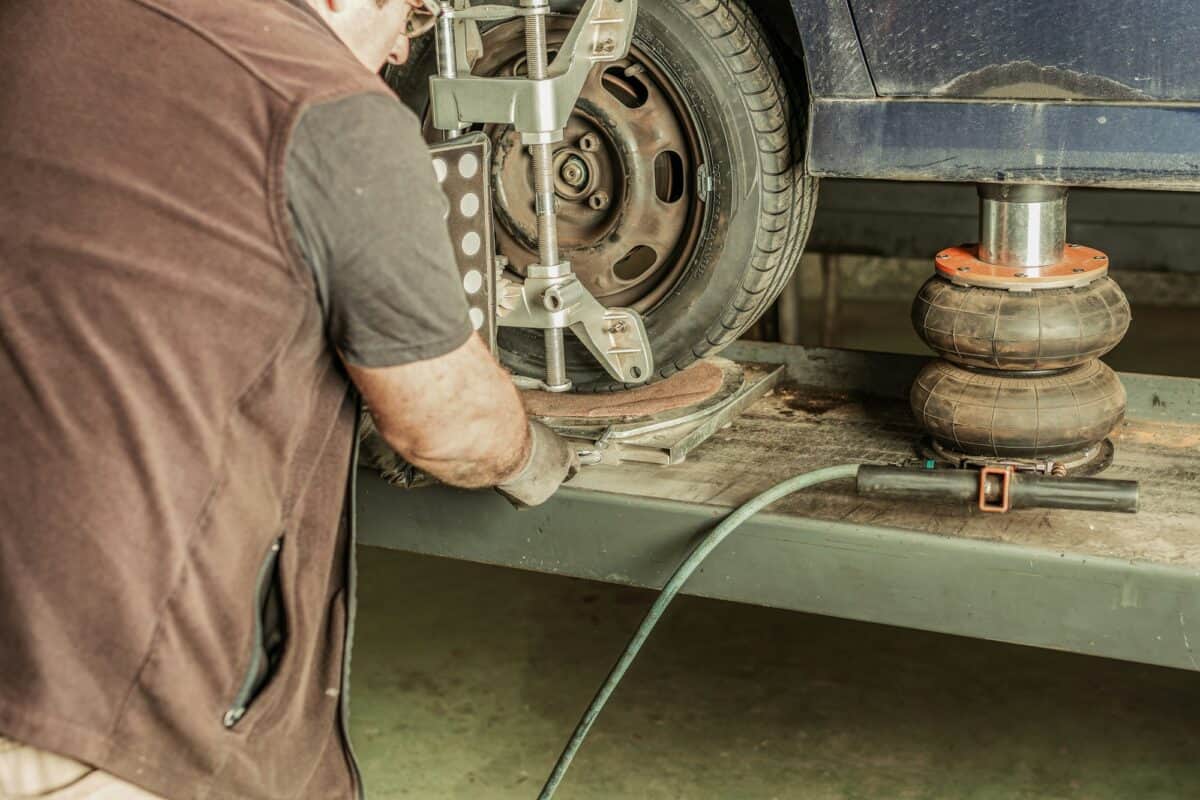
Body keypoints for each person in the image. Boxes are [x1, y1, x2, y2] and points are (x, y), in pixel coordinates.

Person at [0, 0, 577, 797]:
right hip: (97, 725)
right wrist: (536, 455)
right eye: (407, 19)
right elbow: (446, 425)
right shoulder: (324, 107)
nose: (398, 52)